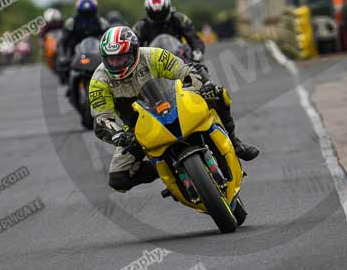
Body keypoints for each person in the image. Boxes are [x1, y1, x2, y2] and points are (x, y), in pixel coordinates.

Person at [88, 26, 259, 192]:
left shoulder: (153, 56)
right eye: (111, 59)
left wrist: (204, 85)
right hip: (137, 129)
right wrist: (118, 135)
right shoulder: (99, 80)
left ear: (134, 52)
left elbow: (185, 70)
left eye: (121, 58)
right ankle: (165, 171)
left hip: (173, 103)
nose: (116, 64)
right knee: (118, 179)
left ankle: (235, 144)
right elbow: (102, 118)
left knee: (218, 94)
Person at [133, 0, 205, 62]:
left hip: (179, 59)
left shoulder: (180, 19)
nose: (158, 17)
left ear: (168, 8)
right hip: (152, 62)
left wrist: (197, 50)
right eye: (154, 15)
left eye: (161, 14)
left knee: (200, 70)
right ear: (148, 11)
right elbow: (133, 45)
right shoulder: (141, 25)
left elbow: (194, 38)